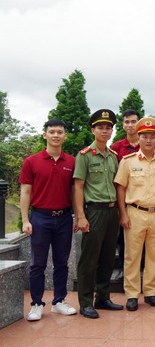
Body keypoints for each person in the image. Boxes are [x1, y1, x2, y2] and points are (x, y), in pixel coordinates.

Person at [19, 119, 77, 321]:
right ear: (45, 135)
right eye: (51, 132)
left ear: (65, 136)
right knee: (38, 264)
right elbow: (25, 192)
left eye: (59, 132)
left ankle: (59, 301)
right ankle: (36, 304)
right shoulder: (31, 161)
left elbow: (74, 191)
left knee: (62, 262)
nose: (55, 135)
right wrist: (25, 220)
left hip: (63, 218)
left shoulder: (71, 162)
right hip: (40, 218)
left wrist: (78, 216)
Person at [114, 117, 155, 311]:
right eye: (145, 136)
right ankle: (131, 294)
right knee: (132, 255)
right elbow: (120, 188)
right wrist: (123, 214)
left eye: (152, 136)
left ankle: (150, 291)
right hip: (134, 213)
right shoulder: (128, 162)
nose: (148, 140)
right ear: (138, 138)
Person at [73, 109, 123, 319]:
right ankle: (85, 302)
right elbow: (78, 186)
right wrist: (81, 216)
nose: (105, 131)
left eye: (108, 127)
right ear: (93, 129)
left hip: (112, 212)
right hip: (94, 211)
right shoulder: (84, 156)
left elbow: (117, 185)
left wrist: (121, 212)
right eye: (100, 127)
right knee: (89, 259)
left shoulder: (113, 157)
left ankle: (102, 297)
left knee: (108, 257)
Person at [110, 109, 141, 281]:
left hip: (144, 198)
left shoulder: (149, 144)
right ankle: (123, 268)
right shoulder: (117, 148)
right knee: (124, 238)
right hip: (125, 200)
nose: (130, 125)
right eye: (127, 122)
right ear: (122, 125)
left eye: (133, 121)